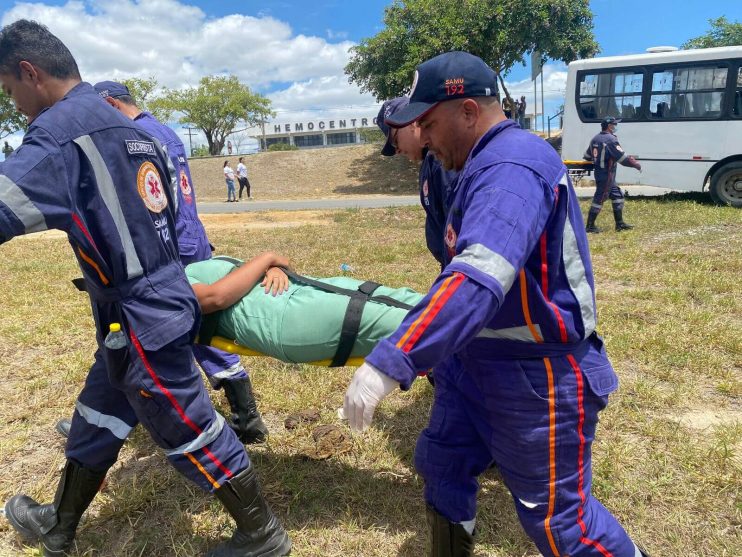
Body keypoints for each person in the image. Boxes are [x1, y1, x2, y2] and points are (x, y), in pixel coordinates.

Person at [343, 51, 650, 557]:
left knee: (558, 521)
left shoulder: (511, 165)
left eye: (429, 122)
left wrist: (391, 360)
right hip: (475, 359)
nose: (424, 137)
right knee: (442, 463)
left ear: (467, 112)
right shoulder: (470, 162)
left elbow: (478, 274)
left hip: (535, 373)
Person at [0, 20, 289, 557]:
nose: (15, 105)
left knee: (189, 425)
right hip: (151, 301)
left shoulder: (60, 135)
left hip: (139, 317)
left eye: (11, 91)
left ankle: (261, 533)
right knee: (99, 410)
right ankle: (59, 525)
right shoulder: (135, 129)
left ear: (29, 72)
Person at [86, 81, 266, 444]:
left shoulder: (136, 136)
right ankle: (244, 418)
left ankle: (244, 419)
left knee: (178, 331)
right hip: (188, 239)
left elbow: (156, 204)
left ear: (109, 104)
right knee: (184, 331)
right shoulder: (162, 130)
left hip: (174, 248)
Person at [185, 252, 422, 363]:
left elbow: (283, 262)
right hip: (282, 318)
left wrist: (273, 268)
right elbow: (215, 298)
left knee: (396, 296)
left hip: (304, 288)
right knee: (390, 320)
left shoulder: (207, 262)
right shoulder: (172, 285)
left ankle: (458, 308)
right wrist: (267, 259)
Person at [377, 96, 457, 267]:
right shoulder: (430, 162)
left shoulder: (441, 160)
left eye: (394, 140)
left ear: (410, 122)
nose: (397, 150)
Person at [583, 116, 642, 233]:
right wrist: (636, 165)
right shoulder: (611, 140)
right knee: (599, 198)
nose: (616, 127)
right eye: (614, 125)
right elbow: (623, 159)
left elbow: (587, 156)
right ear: (609, 126)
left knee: (617, 195)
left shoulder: (595, 139)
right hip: (607, 174)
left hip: (601, 173)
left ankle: (619, 224)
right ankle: (590, 226)